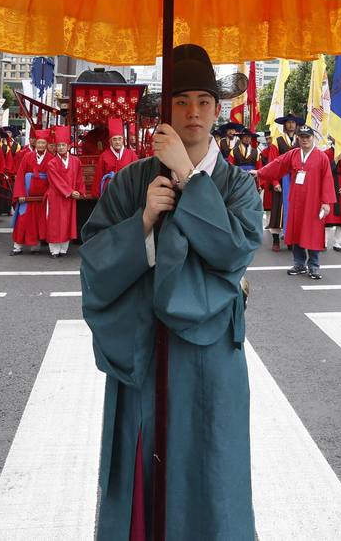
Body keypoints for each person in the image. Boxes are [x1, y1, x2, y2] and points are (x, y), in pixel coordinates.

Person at [81, 43, 261, 540]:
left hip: (210, 358)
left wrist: (187, 176)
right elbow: (95, 258)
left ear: (218, 110)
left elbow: (231, 252)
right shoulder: (132, 181)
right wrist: (142, 221)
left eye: (204, 101)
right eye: (181, 101)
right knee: (143, 469)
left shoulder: (237, 185)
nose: (194, 112)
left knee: (211, 469)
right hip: (144, 347)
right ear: (166, 110)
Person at [256, 126, 335, 279]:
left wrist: (326, 202)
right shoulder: (292, 155)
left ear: (313, 138)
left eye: (308, 136)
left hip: (313, 202)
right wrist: (259, 172)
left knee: (312, 232)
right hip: (296, 201)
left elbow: (327, 180)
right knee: (296, 231)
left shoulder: (321, 157)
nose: (305, 139)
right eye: (302, 136)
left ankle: (313, 266)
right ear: (298, 138)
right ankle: (299, 264)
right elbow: (277, 164)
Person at [261, 114, 302, 251]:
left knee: (295, 210)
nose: (291, 125)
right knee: (278, 210)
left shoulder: (301, 140)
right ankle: (276, 240)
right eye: (288, 123)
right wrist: (275, 182)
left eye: (293, 123)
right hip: (281, 179)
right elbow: (273, 162)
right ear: (284, 125)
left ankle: (291, 239)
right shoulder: (277, 141)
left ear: (296, 125)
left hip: (297, 179)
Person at [44, 126, 84, 257]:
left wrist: (79, 191)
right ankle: (54, 249)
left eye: (63, 145)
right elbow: (56, 181)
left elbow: (79, 177)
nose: (61, 147)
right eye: (58, 145)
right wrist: (70, 191)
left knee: (67, 221)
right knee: (55, 222)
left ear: (68, 147)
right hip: (56, 195)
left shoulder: (75, 161)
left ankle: (63, 248)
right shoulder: (52, 163)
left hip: (70, 195)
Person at [11, 129, 50, 255]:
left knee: (38, 221)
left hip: (42, 197)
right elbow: (21, 175)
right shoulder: (28, 156)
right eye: (39, 143)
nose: (40, 145)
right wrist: (20, 193)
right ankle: (17, 247)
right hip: (27, 195)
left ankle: (35, 247)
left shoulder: (50, 158)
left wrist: (49, 194)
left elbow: (53, 178)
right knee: (22, 221)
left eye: (43, 143)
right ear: (35, 143)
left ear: (46, 144)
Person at [96, 118, 137, 196]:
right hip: (109, 191)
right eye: (114, 139)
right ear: (110, 141)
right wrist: (97, 194)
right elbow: (99, 176)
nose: (117, 142)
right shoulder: (104, 156)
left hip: (127, 190)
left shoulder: (131, 154)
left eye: (119, 139)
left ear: (123, 140)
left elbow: (137, 173)